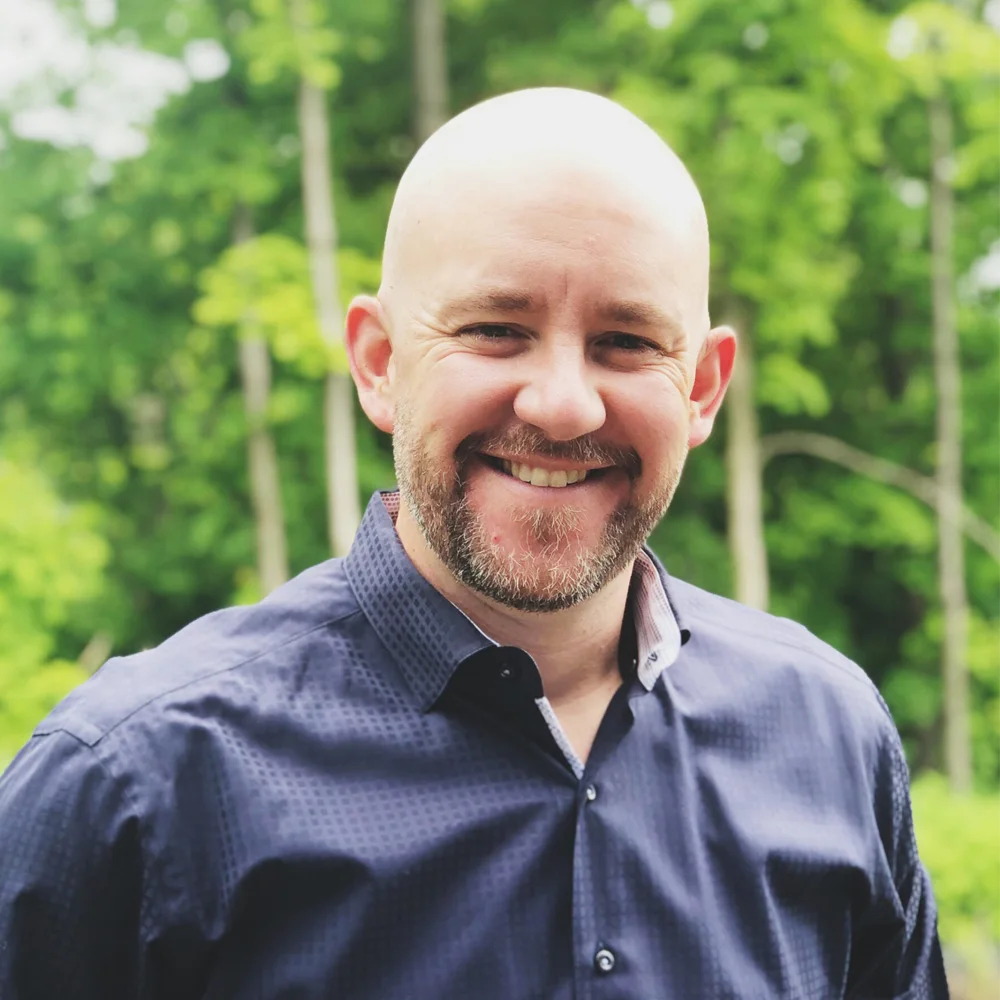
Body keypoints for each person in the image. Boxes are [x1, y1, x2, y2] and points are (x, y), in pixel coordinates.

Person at [0, 88, 948, 999]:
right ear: (380, 362)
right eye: (496, 329)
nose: (564, 405)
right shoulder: (136, 786)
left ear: (701, 388)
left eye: (626, 341)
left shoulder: (830, 739)